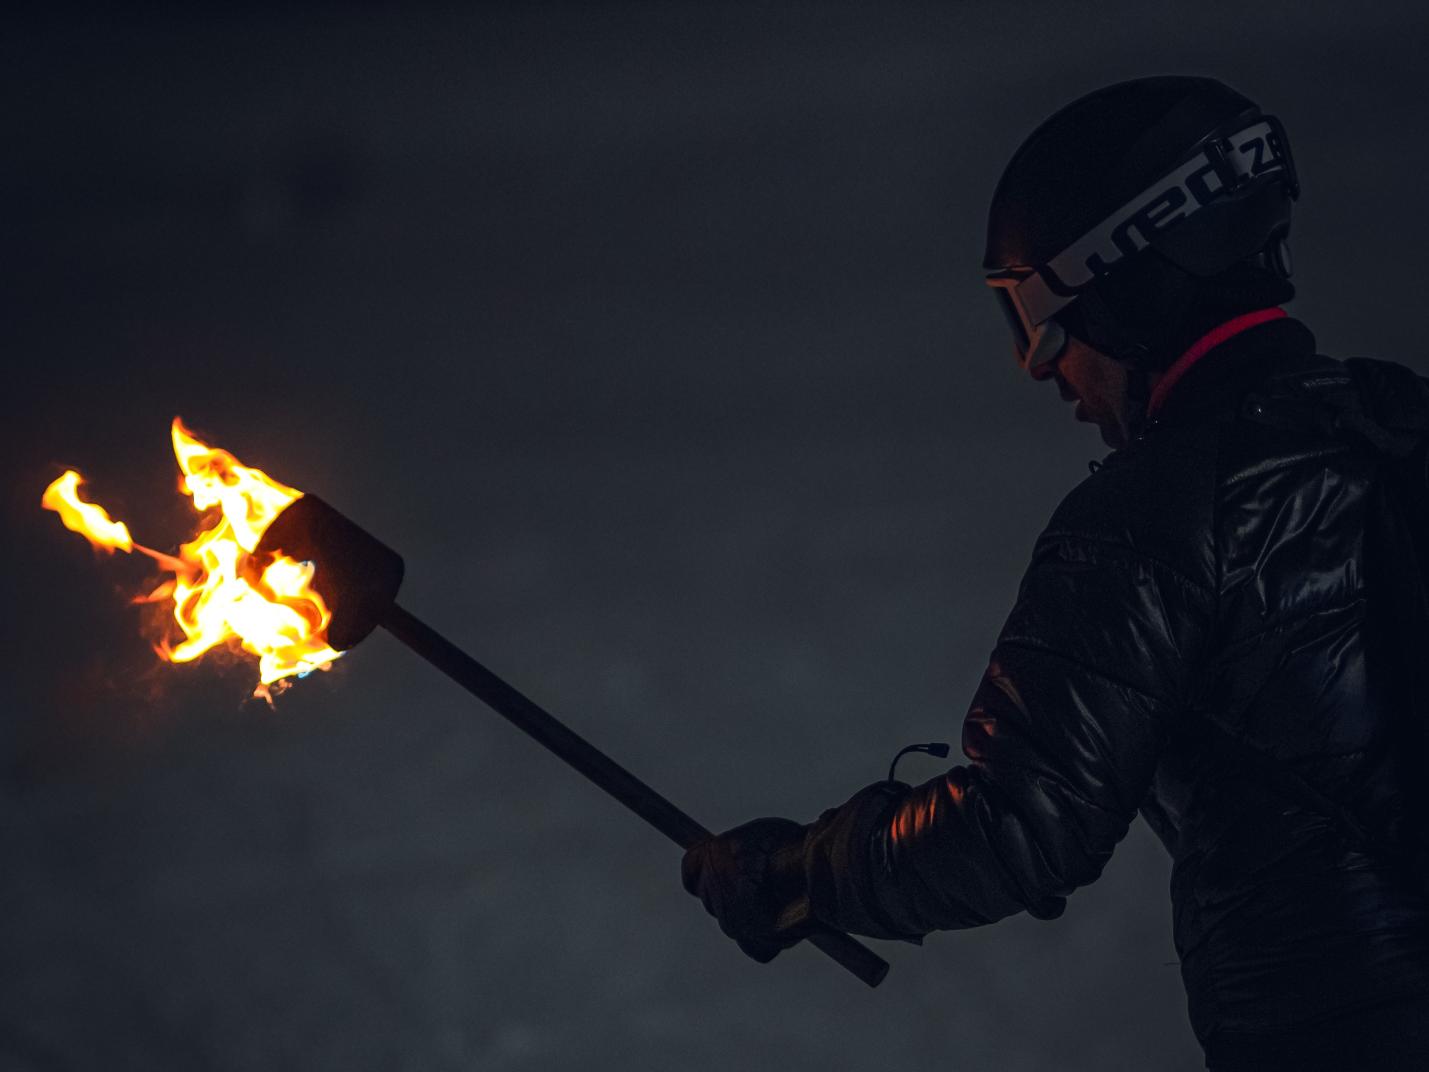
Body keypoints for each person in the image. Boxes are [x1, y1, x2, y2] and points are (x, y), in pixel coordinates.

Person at [680, 76, 1429, 1071]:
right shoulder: (1400, 421)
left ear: (1125, 288)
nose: (1039, 366)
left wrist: (795, 870)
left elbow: (1019, 827)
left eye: (1037, 317)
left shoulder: (1151, 514)